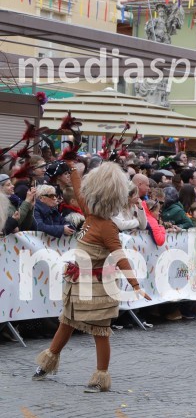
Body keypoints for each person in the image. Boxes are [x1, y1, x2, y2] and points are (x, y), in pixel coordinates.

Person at [32, 161, 150, 392]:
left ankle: (100, 377)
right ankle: (48, 363)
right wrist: (72, 169)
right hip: (79, 281)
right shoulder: (89, 213)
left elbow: (120, 256)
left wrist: (135, 285)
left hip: (98, 285)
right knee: (66, 322)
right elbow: (78, 190)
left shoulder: (107, 227)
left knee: (100, 331)